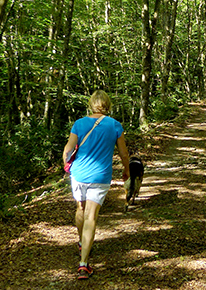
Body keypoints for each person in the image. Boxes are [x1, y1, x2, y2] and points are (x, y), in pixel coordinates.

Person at [62, 90, 130, 279]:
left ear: (91, 104)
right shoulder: (115, 125)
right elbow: (124, 154)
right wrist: (127, 170)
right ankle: (83, 264)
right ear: (107, 105)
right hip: (100, 175)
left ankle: (82, 242)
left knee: (80, 209)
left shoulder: (79, 123)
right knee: (91, 216)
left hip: (79, 174)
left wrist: (66, 165)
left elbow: (68, 149)